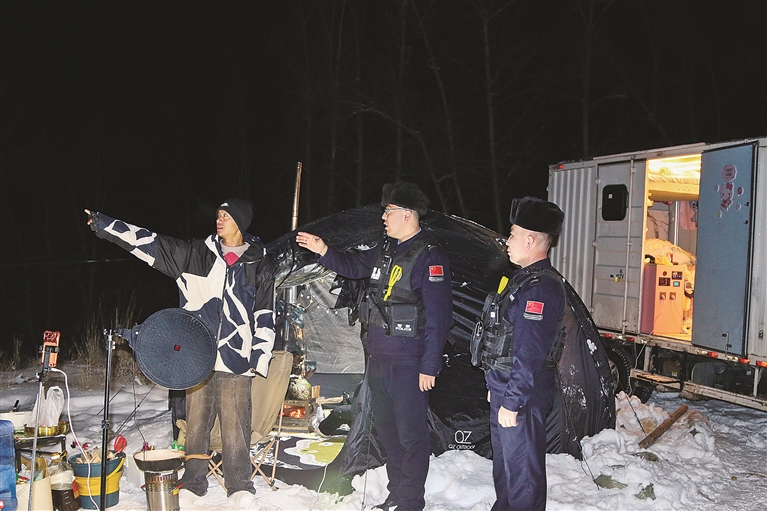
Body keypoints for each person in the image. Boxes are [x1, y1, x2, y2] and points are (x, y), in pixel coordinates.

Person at [85, 199, 275, 500]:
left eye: (226, 216)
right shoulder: (195, 254)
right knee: (196, 424)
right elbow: (150, 243)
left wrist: (259, 355)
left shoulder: (259, 262)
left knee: (236, 425)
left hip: (236, 357)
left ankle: (239, 485)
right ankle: (194, 482)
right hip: (195, 355)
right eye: (218, 214)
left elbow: (265, 312)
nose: (219, 219)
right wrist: (105, 225)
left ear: (240, 222)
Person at [296, 181, 452, 511]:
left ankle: (410, 502)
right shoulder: (386, 249)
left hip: (409, 363)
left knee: (411, 436)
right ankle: (397, 494)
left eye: (389, 211)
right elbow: (354, 267)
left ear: (407, 215)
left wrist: (430, 366)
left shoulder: (428, 256)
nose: (383, 216)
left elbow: (438, 316)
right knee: (388, 433)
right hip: (379, 360)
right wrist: (324, 250)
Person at [479, 196, 566, 511]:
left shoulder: (539, 288)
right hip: (507, 389)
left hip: (522, 396)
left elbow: (529, 352)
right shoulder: (521, 279)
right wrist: (497, 388)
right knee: (506, 470)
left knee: (523, 478)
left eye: (512, 234)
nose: (507, 241)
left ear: (530, 240)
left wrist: (513, 400)